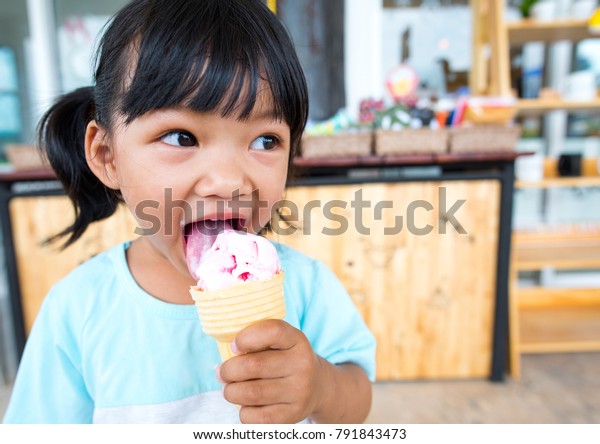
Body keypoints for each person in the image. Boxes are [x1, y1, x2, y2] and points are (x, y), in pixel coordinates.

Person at [3, 0, 375, 424]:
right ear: (107, 155)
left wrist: (321, 387)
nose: (229, 181)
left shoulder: (307, 288)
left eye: (265, 141)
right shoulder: (77, 310)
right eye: (181, 137)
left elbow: (357, 399)